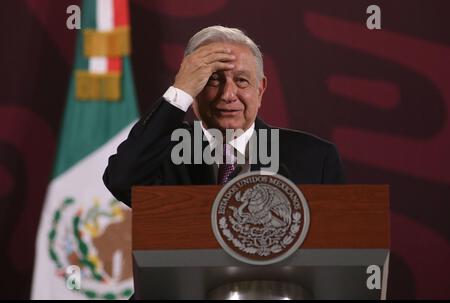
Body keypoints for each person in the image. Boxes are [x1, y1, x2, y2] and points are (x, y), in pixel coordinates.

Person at [103, 26, 344, 207]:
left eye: (241, 80)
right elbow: (122, 179)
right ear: (193, 89)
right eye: (212, 80)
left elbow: (340, 247)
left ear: (260, 90)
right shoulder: (165, 153)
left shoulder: (315, 159)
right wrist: (179, 91)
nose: (228, 94)